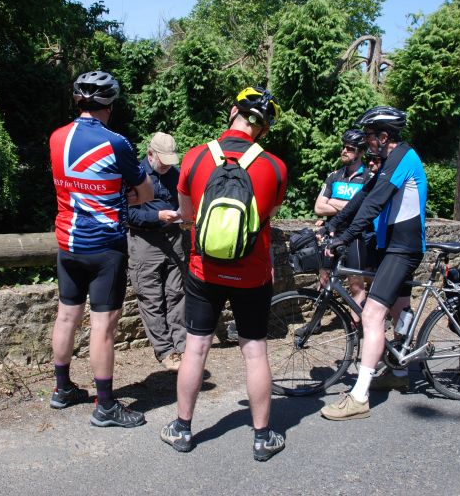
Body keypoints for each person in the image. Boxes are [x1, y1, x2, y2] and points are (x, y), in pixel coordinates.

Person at [160, 86, 288, 461]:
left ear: (233, 111)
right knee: (254, 351)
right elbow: (268, 215)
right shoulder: (276, 167)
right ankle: (263, 438)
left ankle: (182, 428)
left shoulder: (196, 158)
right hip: (252, 273)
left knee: (196, 347)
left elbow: (187, 216)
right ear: (262, 129)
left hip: (204, 269)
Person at [48, 70, 153, 428]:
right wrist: (121, 196)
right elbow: (147, 193)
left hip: (67, 242)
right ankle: (106, 406)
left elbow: (69, 184)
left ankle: (62, 390)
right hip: (105, 246)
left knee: (66, 316)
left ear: (78, 100)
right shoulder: (116, 143)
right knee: (102, 327)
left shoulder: (56, 138)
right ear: (110, 104)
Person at [319, 106, 427, 421]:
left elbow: (375, 203)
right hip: (389, 246)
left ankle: (359, 395)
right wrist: (333, 226)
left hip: (402, 249)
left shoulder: (404, 158)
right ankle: (398, 370)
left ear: (383, 136)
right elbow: (361, 198)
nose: (366, 143)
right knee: (399, 310)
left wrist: (344, 237)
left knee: (372, 314)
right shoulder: (388, 162)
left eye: (369, 136)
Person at [127, 132, 187, 372]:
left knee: (177, 294)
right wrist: (156, 216)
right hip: (145, 242)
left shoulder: (175, 174)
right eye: (163, 161)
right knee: (151, 297)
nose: (167, 166)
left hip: (174, 239)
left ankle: (182, 348)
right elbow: (125, 214)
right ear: (150, 154)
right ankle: (165, 350)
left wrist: (184, 213)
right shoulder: (135, 176)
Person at [314, 129, 372, 315]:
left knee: (355, 283)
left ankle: (355, 325)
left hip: (355, 236)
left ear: (361, 152)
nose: (344, 151)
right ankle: (315, 322)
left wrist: (332, 202)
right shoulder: (334, 176)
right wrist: (350, 206)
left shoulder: (369, 177)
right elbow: (319, 208)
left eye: (350, 148)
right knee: (323, 279)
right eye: (344, 147)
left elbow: (365, 209)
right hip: (332, 232)